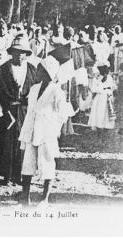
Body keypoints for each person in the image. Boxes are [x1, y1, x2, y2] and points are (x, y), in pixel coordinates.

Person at [18, 56, 75, 206]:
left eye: (41, 70)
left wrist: (53, 128)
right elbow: (30, 108)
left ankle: (45, 199)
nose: (37, 72)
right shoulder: (34, 88)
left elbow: (63, 115)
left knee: (47, 163)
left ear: (48, 72)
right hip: (31, 129)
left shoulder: (57, 91)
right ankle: (25, 198)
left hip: (46, 131)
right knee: (27, 163)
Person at [0, 33, 36, 184]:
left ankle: (21, 175)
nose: (20, 56)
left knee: (23, 144)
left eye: (23, 52)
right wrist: (1, 115)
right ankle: (7, 175)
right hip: (8, 112)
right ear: (11, 53)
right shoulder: (3, 70)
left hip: (25, 112)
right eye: (17, 52)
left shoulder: (32, 70)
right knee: (7, 143)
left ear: (27, 54)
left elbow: (37, 91)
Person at [88, 61, 116, 135]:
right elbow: (94, 89)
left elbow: (112, 87)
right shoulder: (97, 78)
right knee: (102, 111)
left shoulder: (107, 77)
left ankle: (104, 125)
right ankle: (102, 125)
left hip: (105, 96)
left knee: (105, 111)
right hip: (103, 96)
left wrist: (107, 90)